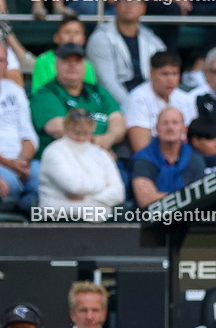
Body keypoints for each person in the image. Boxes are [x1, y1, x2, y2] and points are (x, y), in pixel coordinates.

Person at [31, 43, 125, 156]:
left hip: (103, 154)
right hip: (64, 157)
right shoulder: (46, 93)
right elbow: (57, 128)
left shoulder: (97, 90)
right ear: (56, 65)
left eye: (77, 60)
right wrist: (96, 146)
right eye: (66, 60)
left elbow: (117, 119)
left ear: (85, 65)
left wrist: (108, 139)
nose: (72, 65)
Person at [85, 0, 166, 106]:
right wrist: (133, 106)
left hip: (149, 102)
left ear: (143, 8)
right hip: (113, 106)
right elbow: (107, 83)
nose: (129, 4)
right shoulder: (100, 37)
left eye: (134, 0)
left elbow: (163, 75)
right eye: (124, 0)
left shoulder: (152, 40)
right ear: (116, 6)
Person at [38, 109, 124, 211]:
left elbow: (119, 192)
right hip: (58, 211)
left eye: (86, 133)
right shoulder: (53, 151)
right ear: (66, 128)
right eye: (77, 133)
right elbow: (73, 187)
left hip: (95, 209)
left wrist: (87, 198)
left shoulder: (101, 153)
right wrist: (102, 184)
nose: (81, 138)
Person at [131, 107, 206, 207]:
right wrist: (186, 196)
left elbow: (202, 197)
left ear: (184, 129)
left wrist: (158, 196)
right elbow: (146, 201)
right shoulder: (143, 158)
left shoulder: (195, 159)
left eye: (175, 123)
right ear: (156, 129)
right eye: (165, 123)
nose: (170, 128)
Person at [124, 51, 197, 152]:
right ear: (152, 73)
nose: (170, 79)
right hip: (152, 158)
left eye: (175, 74)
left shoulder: (185, 98)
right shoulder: (138, 98)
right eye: (165, 74)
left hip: (183, 154)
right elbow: (141, 148)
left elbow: (193, 137)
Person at [0, 64, 38, 206]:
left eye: (0, 60)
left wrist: (22, 162)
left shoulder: (14, 90)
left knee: (42, 178)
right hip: (3, 165)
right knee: (10, 183)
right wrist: (10, 165)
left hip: (21, 161)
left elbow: (28, 133)